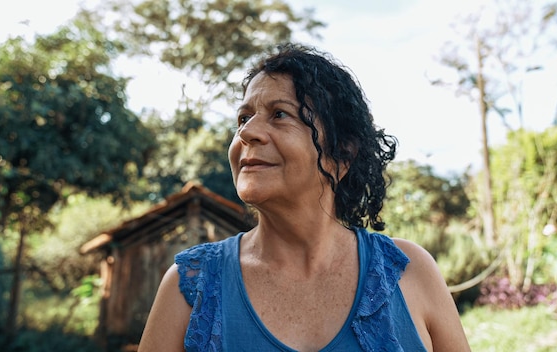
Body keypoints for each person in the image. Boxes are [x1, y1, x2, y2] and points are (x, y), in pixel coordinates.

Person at [138, 43, 471, 352]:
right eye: (243, 118)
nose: (246, 132)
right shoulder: (190, 289)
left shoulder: (411, 273)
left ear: (341, 155)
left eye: (279, 114)